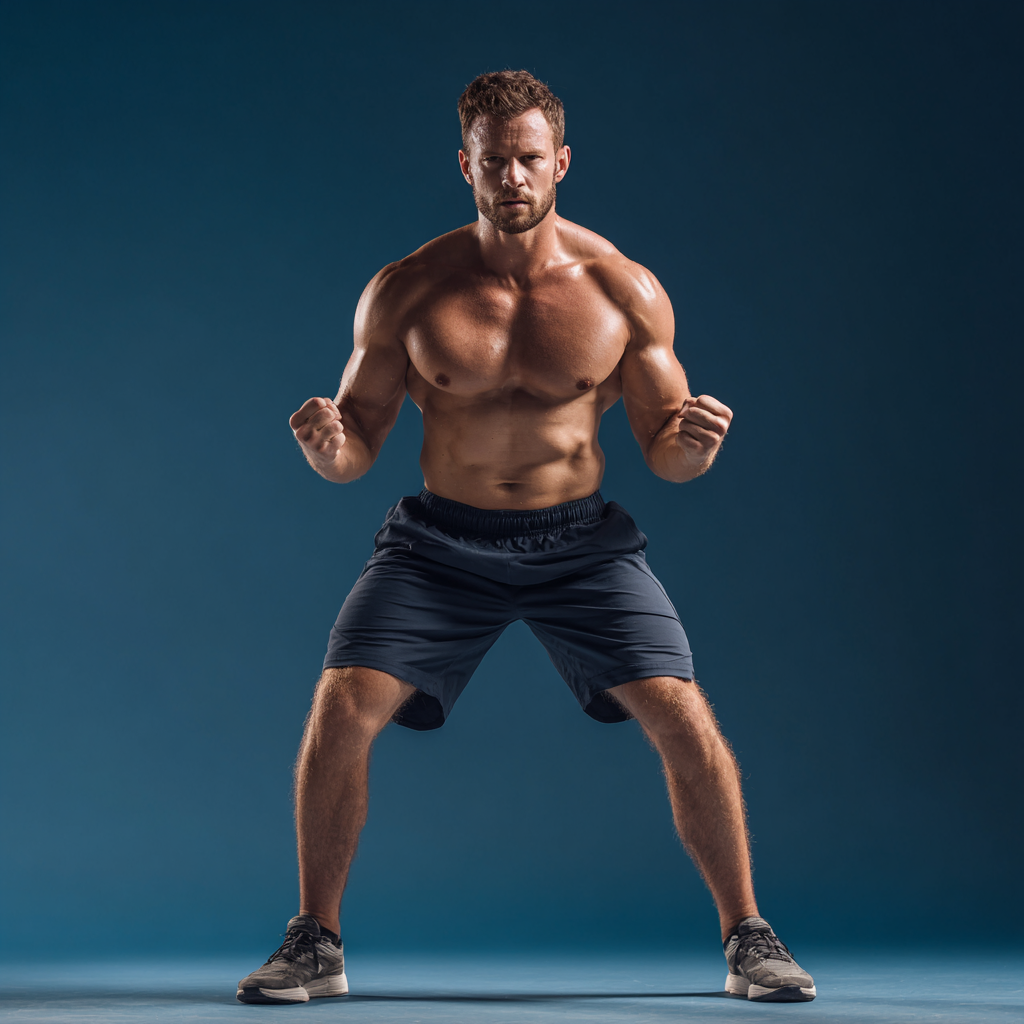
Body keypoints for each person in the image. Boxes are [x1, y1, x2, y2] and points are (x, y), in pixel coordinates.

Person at [237, 70, 816, 1006]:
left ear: (563, 164)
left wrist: (692, 449)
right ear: (464, 164)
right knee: (342, 707)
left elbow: (663, 454)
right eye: (494, 161)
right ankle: (317, 941)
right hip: (439, 544)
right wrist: (329, 449)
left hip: (580, 542)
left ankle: (749, 935)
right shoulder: (406, 292)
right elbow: (359, 449)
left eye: (530, 159)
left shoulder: (624, 291)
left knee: (681, 711)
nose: (513, 177)